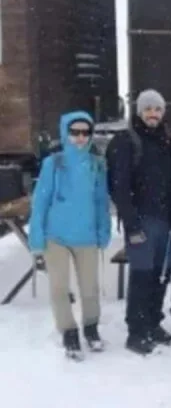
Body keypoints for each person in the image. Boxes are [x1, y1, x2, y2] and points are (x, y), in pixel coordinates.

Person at [29, 111, 111, 360]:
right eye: (74, 132)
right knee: (59, 287)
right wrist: (37, 236)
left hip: (86, 236)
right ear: (66, 132)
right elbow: (41, 201)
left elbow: (100, 202)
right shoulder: (53, 163)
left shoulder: (97, 165)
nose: (80, 137)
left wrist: (103, 229)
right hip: (57, 237)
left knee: (90, 287)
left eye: (85, 132)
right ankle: (68, 332)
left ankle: (91, 327)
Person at [107, 89, 171, 355]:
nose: (153, 114)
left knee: (161, 275)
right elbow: (119, 186)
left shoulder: (165, 141)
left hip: (165, 220)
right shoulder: (127, 141)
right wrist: (132, 223)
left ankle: (152, 323)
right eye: (148, 109)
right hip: (141, 221)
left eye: (158, 109)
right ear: (139, 111)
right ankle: (136, 332)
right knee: (141, 275)